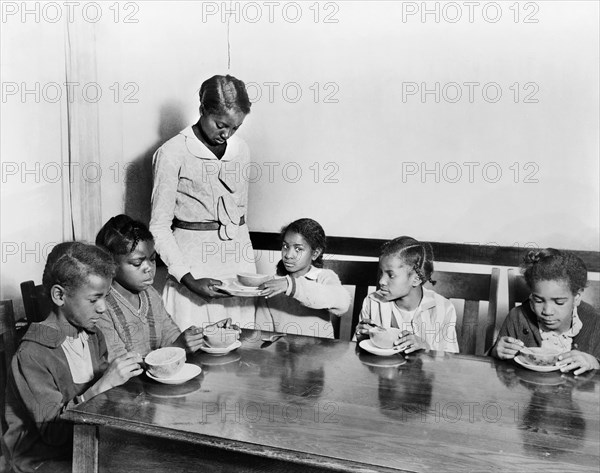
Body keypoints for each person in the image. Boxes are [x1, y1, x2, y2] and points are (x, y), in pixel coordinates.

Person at [3, 242, 142, 473]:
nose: (103, 308)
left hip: (82, 442)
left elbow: (104, 400)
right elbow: (55, 434)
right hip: (40, 460)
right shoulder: (32, 355)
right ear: (59, 295)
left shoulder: (92, 335)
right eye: (94, 299)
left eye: (106, 297)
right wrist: (103, 384)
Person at [150, 74, 256, 331]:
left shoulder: (240, 150)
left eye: (235, 128)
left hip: (237, 264)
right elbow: (159, 226)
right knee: (194, 346)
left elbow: (241, 214)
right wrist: (188, 279)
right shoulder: (172, 153)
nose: (226, 134)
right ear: (202, 110)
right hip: (193, 267)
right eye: (221, 124)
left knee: (239, 345)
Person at [95, 214, 205, 361]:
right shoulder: (102, 307)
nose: (149, 268)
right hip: (129, 383)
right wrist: (176, 349)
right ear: (111, 265)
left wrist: (197, 337)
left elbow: (170, 335)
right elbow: (119, 364)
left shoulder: (150, 294)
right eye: (137, 263)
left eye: (152, 259)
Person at [491, 249, 600, 375]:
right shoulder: (517, 317)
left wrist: (594, 362)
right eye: (538, 300)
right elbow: (498, 372)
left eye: (559, 302)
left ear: (577, 297)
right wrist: (496, 352)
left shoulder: (594, 320)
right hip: (526, 392)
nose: (547, 311)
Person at [355, 236, 459, 353]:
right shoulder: (372, 302)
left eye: (391, 275)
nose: (381, 281)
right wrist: (361, 339)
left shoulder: (443, 308)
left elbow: (450, 362)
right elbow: (359, 355)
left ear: (416, 279)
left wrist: (425, 347)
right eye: (381, 273)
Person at [255, 218, 350, 338]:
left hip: (320, 353)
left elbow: (343, 302)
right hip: (283, 354)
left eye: (298, 249)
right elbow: (262, 332)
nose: (288, 255)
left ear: (315, 253)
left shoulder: (323, 277)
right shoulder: (273, 284)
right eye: (285, 246)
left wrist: (292, 286)